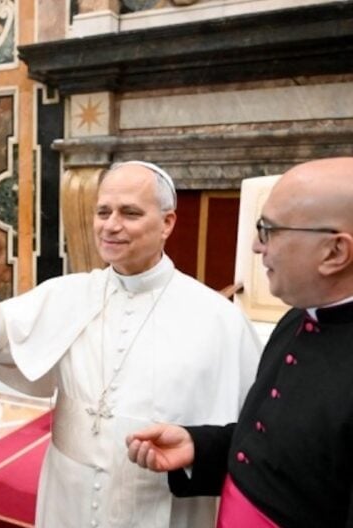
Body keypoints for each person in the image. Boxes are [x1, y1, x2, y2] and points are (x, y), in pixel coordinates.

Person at [0, 160, 262, 527]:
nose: (111, 225)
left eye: (130, 213)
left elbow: (250, 434)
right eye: (103, 211)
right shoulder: (69, 293)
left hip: (159, 502)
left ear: (167, 223)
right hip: (69, 494)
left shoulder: (218, 319)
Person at [126, 157, 353, 528]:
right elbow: (278, 444)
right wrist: (199, 447)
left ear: (335, 253)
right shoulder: (296, 317)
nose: (255, 246)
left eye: (269, 231)